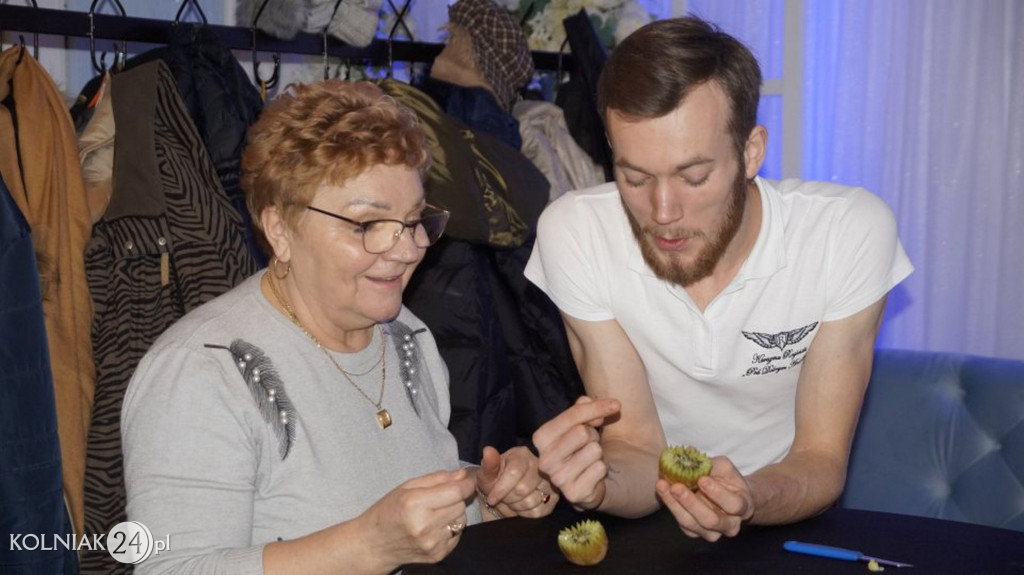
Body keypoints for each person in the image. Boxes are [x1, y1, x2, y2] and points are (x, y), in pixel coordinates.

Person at [121, 80, 558, 574]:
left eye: (414, 220)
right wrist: (369, 546)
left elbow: (398, 494)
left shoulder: (406, 336)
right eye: (367, 225)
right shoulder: (199, 373)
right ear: (280, 229)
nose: (408, 249)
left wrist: (486, 497)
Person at [525, 16, 913, 542]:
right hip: (651, 528)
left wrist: (745, 499)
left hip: (786, 516)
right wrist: (599, 487)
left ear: (751, 152)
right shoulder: (576, 233)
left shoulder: (845, 233)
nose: (663, 211)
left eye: (694, 177)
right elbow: (636, 447)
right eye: (634, 178)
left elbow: (820, 459)